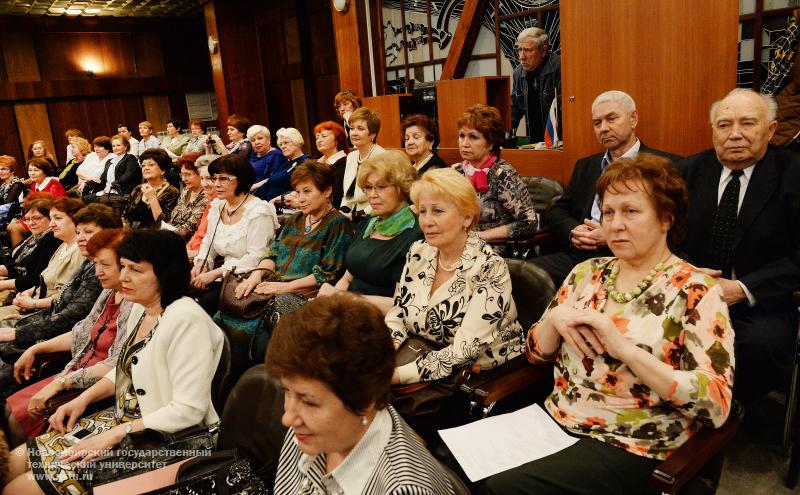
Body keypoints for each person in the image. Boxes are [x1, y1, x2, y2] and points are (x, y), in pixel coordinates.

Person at [481, 154, 734, 495]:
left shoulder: (695, 290)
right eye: (609, 212)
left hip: (631, 440)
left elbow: (714, 405)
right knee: (457, 465)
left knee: (503, 488)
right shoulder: (587, 273)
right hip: (555, 420)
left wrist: (626, 350)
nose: (615, 224)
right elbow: (536, 354)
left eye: (631, 211)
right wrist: (554, 320)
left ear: (666, 219)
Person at [3, 230, 224, 495]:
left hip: (169, 440)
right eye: (123, 267)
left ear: (166, 273)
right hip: (126, 421)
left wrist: (115, 434)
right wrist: (81, 400)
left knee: (19, 489)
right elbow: (124, 368)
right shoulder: (142, 308)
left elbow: (189, 410)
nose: (124, 276)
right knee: (12, 463)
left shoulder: (188, 320)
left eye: (136, 269)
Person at [678, 88, 800, 404]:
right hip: (690, 291)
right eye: (723, 125)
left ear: (770, 129)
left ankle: (731, 410)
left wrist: (741, 288)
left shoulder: (793, 174)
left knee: (760, 346)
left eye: (747, 124)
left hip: (761, 301)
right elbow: (665, 237)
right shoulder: (687, 171)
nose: (735, 135)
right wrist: (692, 276)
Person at [268, 293, 455, 495]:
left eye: (309, 403)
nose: (287, 418)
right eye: (287, 391)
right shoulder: (309, 428)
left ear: (364, 401)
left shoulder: (404, 490)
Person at [385, 168, 524, 433]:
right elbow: (398, 313)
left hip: (476, 376)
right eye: (422, 211)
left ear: (466, 217)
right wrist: (383, 354)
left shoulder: (489, 267)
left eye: (437, 211)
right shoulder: (419, 251)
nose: (426, 221)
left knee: (373, 412)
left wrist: (395, 375)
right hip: (423, 351)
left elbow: (464, 352)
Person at [533, 90, 680, 286]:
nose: (603, 128)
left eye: (611, 119)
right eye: (597, 123)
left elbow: (674, 225)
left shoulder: (663, 166)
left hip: (636, 259)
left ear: (633, 119)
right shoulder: (585, 166)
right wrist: (574, 230)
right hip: (580, 255)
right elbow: (558, 211)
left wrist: (610, 234)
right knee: (523, 275)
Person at [5, 228, 132, 445]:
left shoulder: (135, 303)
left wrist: (62, 382)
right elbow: (81, 331)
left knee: (17, 419)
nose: (98, 271)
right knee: (9, 407)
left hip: (96, 387)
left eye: (105, 265)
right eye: (95, 263)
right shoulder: (109, 291)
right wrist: (35, 349)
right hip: (74, 371)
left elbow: (117, 364)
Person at [225, 161, 353, 367]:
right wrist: (255, 275)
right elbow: (273, 254)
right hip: (271, 285)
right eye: (297, 191)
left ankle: (264, 385)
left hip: (304, 295)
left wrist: (285, 287)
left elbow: (328, 274)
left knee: (258, 335)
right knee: (224, 314)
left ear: (327, 191)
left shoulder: (338, 223)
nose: (300, 199)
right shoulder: (295, 220)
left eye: (307, 191)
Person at [0, 203, 115, 353]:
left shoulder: (96, 269)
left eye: (88, 232)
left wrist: (27, 317)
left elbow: (72, 317)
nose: (80, 238)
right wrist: (31, 316)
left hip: (57, 337)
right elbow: (62, 302)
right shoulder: (86, 260)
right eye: (78, 232)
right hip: (44, 319)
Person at [318, 150, 422, 314]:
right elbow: (347, 278)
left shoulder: (416, 234)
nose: (372, 195)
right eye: (368, 188)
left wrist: (344, 299)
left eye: (381, 187)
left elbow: (399, 305)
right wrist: (333, 305)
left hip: (378, 319)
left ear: (402, 187)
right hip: (347, 310)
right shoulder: (369, 222)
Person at [191, 154, 279, 315]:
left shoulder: (258, 212)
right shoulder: (218, 206)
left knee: (198, 309)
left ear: (242, 180)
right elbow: (208, 242)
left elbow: (256, 257)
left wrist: (215, 273)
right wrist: (202, 262)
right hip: (220, 277)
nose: (216, 184)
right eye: (214, 178)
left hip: (245, 280)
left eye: (223, 179)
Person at [453, 104, 538, 258]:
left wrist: (479, 237)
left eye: (473, 137)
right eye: (461, 136)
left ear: (491, 143)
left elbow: (529, 223)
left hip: (493, 250)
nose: (464, 143)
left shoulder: (503, 174)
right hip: (459, 244)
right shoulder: (456, 172)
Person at [0, 198, 61, 297]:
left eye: (37, 218)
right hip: (18, 286)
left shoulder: (52, 239)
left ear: (50, 218)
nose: (31, 223)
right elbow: (16, 265)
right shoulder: (33, 235)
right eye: (27, 219)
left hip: (29, 292)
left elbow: (37, 277)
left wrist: (3, 284)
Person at [511, 27, 561, 142]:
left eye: (528, 50)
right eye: (519, 50)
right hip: (534, 141)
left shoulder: (560, 68)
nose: (521, 57)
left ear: (543, 51)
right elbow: (514, 111)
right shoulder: (518, 73)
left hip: (559, 140)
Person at [7, 159, 66, 248]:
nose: (32, 173)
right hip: (37, 216)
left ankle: (19, 257)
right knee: (10, 226)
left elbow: (57, 206)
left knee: (15, 228)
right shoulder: (35, 185)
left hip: (50, 217)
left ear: (45, 171)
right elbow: (31, 206)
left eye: (36, 170)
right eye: (30, 170)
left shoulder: (53, 184)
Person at [342, 107, 385, 217]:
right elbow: (347, 195)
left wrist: (357, 215)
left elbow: (383, 196)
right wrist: (343, 212)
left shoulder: (382, 157)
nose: (354, 133)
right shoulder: (351, 156)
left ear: (372, 134)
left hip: (373, 216)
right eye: (352, 128)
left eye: (360, 129)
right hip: (351, 216)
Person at [125, 149, 180, 229]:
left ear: (163, 170)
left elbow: (164, 224)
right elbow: (125, 215)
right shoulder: (138, 189)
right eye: (143, 165)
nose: (146, 168)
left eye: (151, 165)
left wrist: (152, 198)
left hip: (156, 237)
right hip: (133, 234)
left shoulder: (172, 192)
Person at [82, 134, 141, 202]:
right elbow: (102, 179)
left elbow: (128, 175)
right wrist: (87, 183)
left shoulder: (130, 158)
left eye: (118, 145)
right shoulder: (110, 161)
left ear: (126, 146)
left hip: (121, 192)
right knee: (84, 199)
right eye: (113, 146)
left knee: (98, 200)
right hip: (107, 192)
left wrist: (114, 184)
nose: (115, 148)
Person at [164, 152, 208, 239]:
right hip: (171, 236)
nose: (183, 179)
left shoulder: (206, 196)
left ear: (200, 173)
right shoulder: (186, 190)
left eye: (187, 174)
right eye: (182, 174)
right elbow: (172, 219)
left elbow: (189, 229)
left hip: (188, 242)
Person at [253, 127, 304, 202]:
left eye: (286, 143)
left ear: (297, 143)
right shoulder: (284, 163)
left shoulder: (304, 162)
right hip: (262, 202)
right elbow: (269, 182)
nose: (282, 146)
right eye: (281, 144)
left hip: (284, 206)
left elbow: (299, 190)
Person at [186, 154, 219, 258]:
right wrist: (187, 247)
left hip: (204, 257)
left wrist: (194, 253)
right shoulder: (211, 200)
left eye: (209, 178)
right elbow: (199, 232)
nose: (204, 184)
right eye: (201, 178)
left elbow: (218, 244)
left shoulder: (223, 203)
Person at [314, 121, 349, 208]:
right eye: (317, 137)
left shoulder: (344, 162)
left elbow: (337, 197)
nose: (319, 140)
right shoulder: (316, 163)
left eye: (324, 136)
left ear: (337, 140)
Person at [247, 124, 289, 195]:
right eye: (253, 140)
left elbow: (274, 178)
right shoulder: (253, 156)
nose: (256, 142)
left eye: (260, 138)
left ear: (268, 139)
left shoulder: (275, 155)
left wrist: (253, 187)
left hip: (265, 194)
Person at [0, 155, 25, 221]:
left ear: (12, 170)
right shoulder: (3, 185)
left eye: (4, 169)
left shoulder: (17, 184)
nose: (0, 172)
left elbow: (7, 206)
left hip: (12, 218)